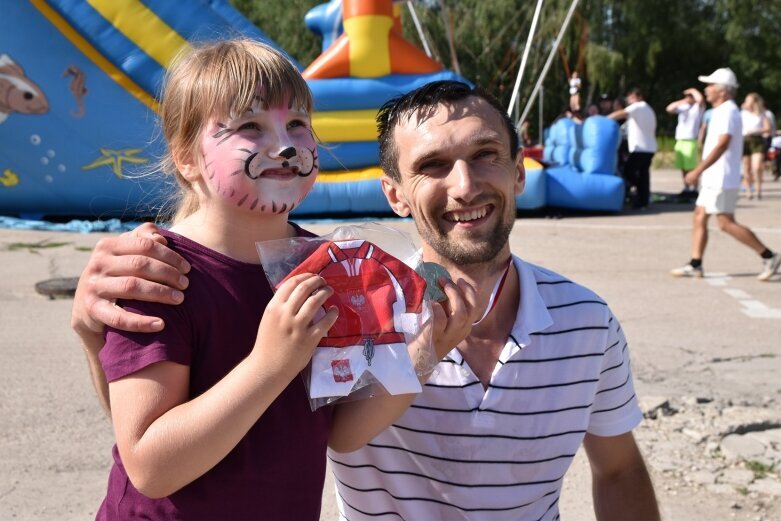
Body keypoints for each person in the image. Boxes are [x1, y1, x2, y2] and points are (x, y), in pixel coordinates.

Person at [72, 81, 661, 520]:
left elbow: (619, 467)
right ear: (394, 195)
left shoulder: (587, 323)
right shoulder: (348, 299)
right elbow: (150, 446)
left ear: (519, 173)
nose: (465, 185)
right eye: (432, 166)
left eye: (485, 155)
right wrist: (96, 332)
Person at [72, 41, 476, 520]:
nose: (284, 145)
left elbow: (341, 431)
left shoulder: (331, 264)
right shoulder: (156, 274)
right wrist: (269, 364)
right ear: (186, 156)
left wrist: (423, 356)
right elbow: (151, 466)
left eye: (298, 124)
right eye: (250, 126)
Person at [671, 68, 780, 281]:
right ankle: (695, 263)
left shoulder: (728, 111)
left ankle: (769, 255)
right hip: (714, 177)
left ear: (722, 91)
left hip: (722, 177)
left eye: (711, 85)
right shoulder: (721, 110)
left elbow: (723, 144)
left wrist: (697, 170)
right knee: (700, 215)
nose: (707, 89)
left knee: (726, 223)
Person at [608, 88, 657, 209]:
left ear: (638, 97)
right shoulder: (649, 109)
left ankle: (641, 193)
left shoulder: (637, 106)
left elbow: (621, 113)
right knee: (644, 174)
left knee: (628, 172)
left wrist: (604, 119)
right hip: (650, 147)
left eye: (631, 97)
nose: (629, 100)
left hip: (639, 147)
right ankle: (643, 200)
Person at [666, 88, 705, 196]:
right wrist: (682, 101)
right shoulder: (683, 107)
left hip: (690, 140)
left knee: (691, 166)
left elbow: (700, 100)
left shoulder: (697, 108)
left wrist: (693, 91)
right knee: (682, 167)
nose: (688, 98)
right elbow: (669, 108)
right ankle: (686, 187)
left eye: (690, 96)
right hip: (680, 140)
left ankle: (695, 188)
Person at [740, 92, 771, 200]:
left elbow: (768, 128)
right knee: (746, 167)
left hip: (757, 140)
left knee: (756, 167)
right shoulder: (742, 113)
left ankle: (758, 188)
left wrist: (756, 130)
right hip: (745, 140)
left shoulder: (762, 114)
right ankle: (749, 190)